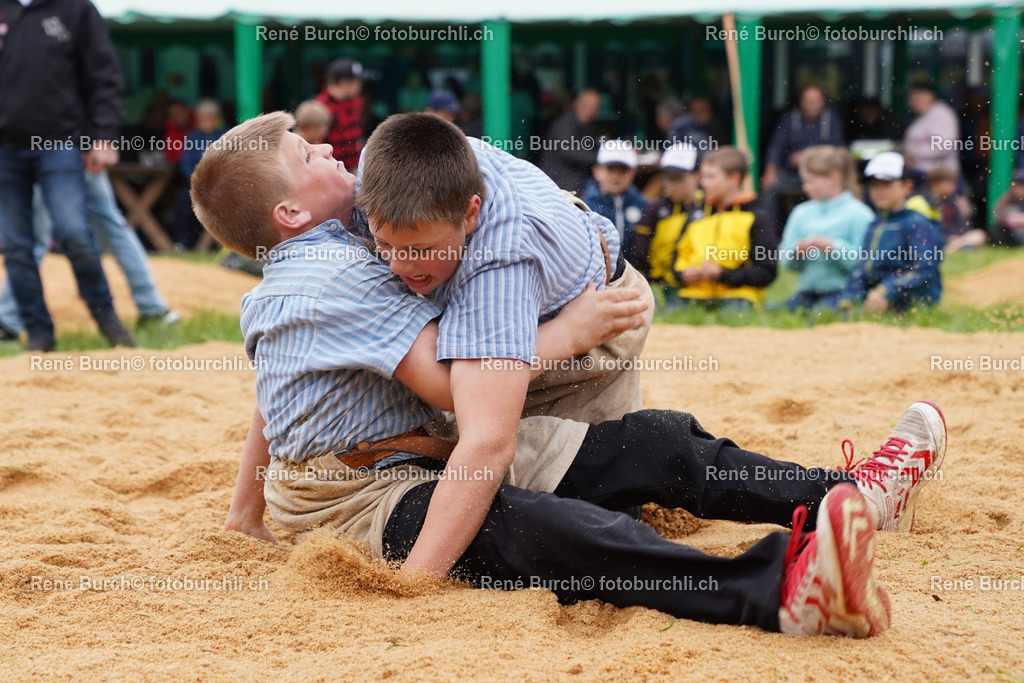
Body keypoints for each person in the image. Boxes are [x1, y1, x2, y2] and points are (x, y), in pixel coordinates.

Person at [189, 113, 947, 636]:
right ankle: (776, 589)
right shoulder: (331, 274)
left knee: (647, 447)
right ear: (290, 211)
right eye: (307, 154)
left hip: (402, 453)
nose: (327, 151)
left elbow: (274, 387)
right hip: (363, 494)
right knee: (551, 531)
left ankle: (851, 496)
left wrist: (246, 508)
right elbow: (464, 402)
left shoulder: (319, 252)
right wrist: (412, 589)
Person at [0, 0, 136, 352]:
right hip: (5, 150)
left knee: (74, 231)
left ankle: (107, 320)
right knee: (15, 245)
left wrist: (103, 134)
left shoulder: (76, 9)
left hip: (60, 143)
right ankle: (39, 335)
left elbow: (103, 75)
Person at [0, 171, 180, 340]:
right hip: (82, 149)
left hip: (52, 152)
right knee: (112, 226)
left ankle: (7, 319)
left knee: (38, 237)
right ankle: (152, 306)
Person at [671, 147, 777, 309]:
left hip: (739, 296)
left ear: (734, 179)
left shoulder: (757, 216)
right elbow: (676, 260)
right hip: (693, 294)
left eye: (711, 176)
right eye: (703, 176)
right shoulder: (696, 214)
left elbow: (767, 272)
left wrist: (723, 275)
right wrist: (683, 275)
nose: (702, 182)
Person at [839, 152, 943, 313]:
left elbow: (924, 269)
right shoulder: (874, 224)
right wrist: (849, 298)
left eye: (886, 184)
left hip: (911, 304)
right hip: (875, 302)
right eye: (874, 185)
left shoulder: (917, 223)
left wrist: (886, 291)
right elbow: (862, 269)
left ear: (906, 187)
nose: (878, 190)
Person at [777, 146, 874, 312]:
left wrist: (834, 248)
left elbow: (867, 264)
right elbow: (784, 260)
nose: (806, 187)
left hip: (845, 292)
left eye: (811, 181)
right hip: (806, 293)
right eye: (804, 181)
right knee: (774, 313)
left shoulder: (859, 214)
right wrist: (796, 252)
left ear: (834, 178)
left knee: (821, 314)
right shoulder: (800, 213)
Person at [762, 85, 845, 225]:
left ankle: (829, 227)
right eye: (808, 101)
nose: (811, 105)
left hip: (820, 174)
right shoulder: (789, 119)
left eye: (815, 101)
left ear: (822, 102)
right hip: (791, 173)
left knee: (836, 189)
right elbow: (775, 146)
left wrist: (809, 156)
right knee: (770, 187)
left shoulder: (831, 119)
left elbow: (837, 150)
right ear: (801, 102)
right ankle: (769, 231)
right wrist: (770, 171)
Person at [627, 143, 703, 296]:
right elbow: (639, 252)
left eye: (677, 178)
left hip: (701, 283)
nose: (671, 184)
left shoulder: (709, 207)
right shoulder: (654, 209)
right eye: (666, 177)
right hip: (661, 286)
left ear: (696, 176)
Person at [174, 99, 226, 249]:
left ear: (216, 119)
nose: (206, 121)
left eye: (210, 117)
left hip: (221, 185)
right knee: (182, 201)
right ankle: (182, 243)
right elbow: (185, 163)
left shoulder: (227, 134)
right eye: (203, 118)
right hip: (197, 184)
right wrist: (196, 180)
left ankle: (225, 245)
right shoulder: (193, 136)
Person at [581, 140, 649, 249]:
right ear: (596, 171)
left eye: (622, 170)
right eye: (610, 169)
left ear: (632, 173)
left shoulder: (645, 206)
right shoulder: (584, 208)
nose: (616, 176)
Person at [906, 167, 986, 253]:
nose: (954, 187)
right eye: (950, 183)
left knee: (980, 234)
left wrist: (957, 237)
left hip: (954, 239)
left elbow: (963, 224)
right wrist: (946, 238)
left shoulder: (951, 200)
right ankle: (959, 246)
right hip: (932, 239)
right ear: (935, 184)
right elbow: (924, 230)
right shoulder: (920, 201)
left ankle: (955, 246)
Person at [539, 89, 601, 194]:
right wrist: (600, 157)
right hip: (559, 183)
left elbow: (594, 146)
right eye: (586, 105)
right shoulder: (564, 123)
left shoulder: (587, 127)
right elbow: (569, 152)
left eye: (594, 107)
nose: (591, 110)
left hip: (577, 180)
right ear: (576, 104)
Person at [902, 80, 961, 180]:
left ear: (930, 95)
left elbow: (943, 146)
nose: (913, 101)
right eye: (912, 97)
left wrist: (913, 154)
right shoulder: (923, 115)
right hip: (923, 175)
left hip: (940, 178)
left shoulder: (941, 114)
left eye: (917, 97)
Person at [316, 58, 364, 172]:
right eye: (357, 81)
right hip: (330, 172)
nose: (360, 86)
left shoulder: (356, 102)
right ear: (344, 82)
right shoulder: (320, 107)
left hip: (353, 170)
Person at [992, 167, 1024, 247]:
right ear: (1013, 187)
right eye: (1019, 185)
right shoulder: (1007, 199)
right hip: (1011, 231)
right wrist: (1010, 220)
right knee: (996, 231)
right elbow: (998, 216)